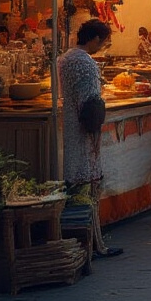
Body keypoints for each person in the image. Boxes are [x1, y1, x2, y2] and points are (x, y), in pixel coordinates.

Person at [59, 19, 122, 258]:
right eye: (103, 41)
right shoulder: (85, 62)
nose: (102, 46)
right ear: (95, 39)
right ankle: (92, 242)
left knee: (77, 183)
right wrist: (95, 134)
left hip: (71, 127)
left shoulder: (65, 58)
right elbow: (91, 105)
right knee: (87, 185)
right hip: (83, 132)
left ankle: (89, 242)